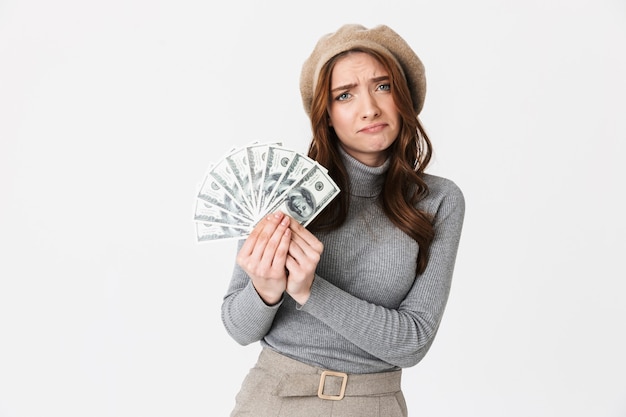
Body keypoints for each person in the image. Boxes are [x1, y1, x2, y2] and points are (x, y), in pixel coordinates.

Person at [221, 23, 465, 417]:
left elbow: (413, 341)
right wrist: (265, 289)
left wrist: (307, 289)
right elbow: (238, 328)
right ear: (327, 114)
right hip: (273, 400)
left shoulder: (438, 200)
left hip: (375, 404)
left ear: (404, 98)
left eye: (383, 86)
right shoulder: (281, 189)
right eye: (345, 94)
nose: (369, 107)